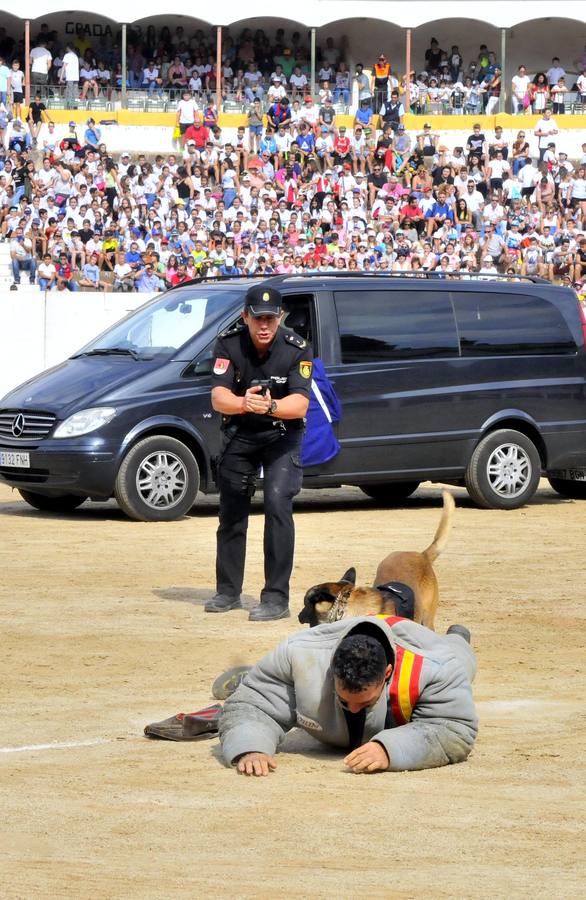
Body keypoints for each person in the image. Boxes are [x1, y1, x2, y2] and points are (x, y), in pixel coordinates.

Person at [218, 615, 477, 776]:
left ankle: (458, 635)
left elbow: (454, 730)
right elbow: (252, 704)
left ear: (387, 673)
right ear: (332, 671)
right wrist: (249, 747)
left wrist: (390, 749)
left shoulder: (436, 667)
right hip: (351, 631)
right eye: (344, 700)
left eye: (363, 702)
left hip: (419, 640)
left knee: (462, 658)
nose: (353, 709)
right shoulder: (299, 654)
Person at [205, 284, 313, 621]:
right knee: (232, 510)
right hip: (241, 434)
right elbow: (217, 396)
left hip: (281, 435)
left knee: (277, 503)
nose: (264, 325)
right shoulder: (228, 344)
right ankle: (228, 591)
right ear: (245, 317)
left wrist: (271, 405)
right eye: (257, 318)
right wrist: (243, 403)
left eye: (270, 318)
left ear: (280, 317)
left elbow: (301, 404)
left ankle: (276, 598)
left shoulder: (297, 348)